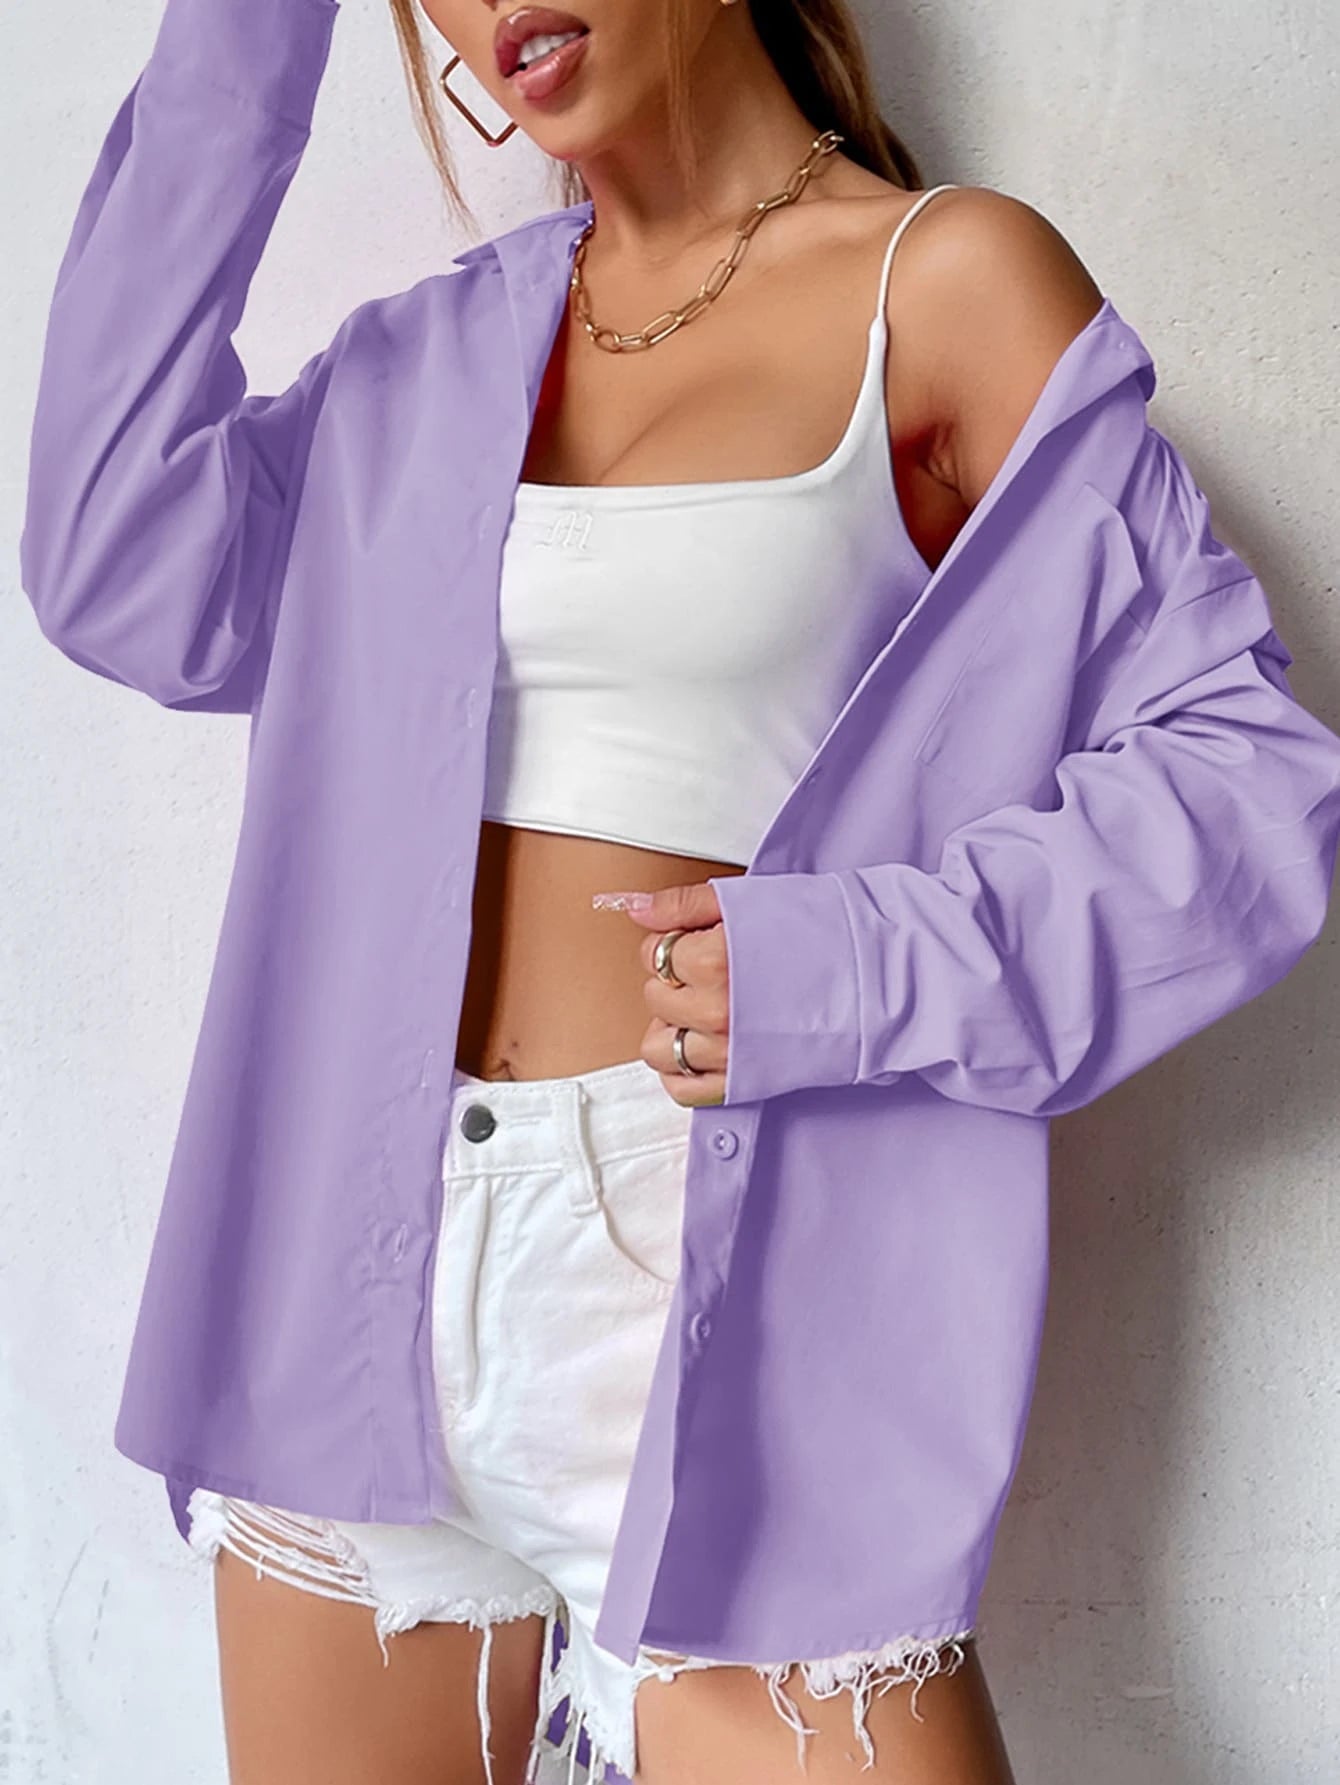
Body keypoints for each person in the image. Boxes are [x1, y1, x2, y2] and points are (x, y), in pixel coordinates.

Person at [21, 1, 1340, 1783]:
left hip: (725, 1292)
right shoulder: (424, 358)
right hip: (350, 1294)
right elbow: (114, 554)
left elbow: (1248, 778)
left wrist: (856, 964)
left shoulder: (940, 284)